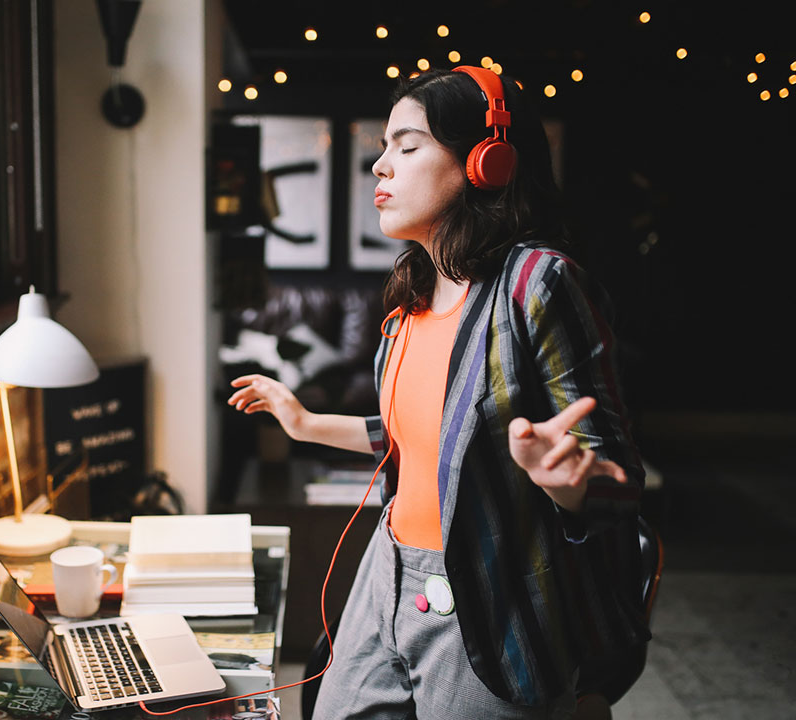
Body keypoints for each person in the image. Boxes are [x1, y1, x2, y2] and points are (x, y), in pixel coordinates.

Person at [227, 66, 648, 719]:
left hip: (489, 588)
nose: (380, 166)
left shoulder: (539, 282)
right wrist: (305, 422)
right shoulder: (411, 297)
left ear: (486, 160)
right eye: (384, 145)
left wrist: (566, 481)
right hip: (387, 567)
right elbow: (424, 439)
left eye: (407, 144)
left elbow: (617, 479)